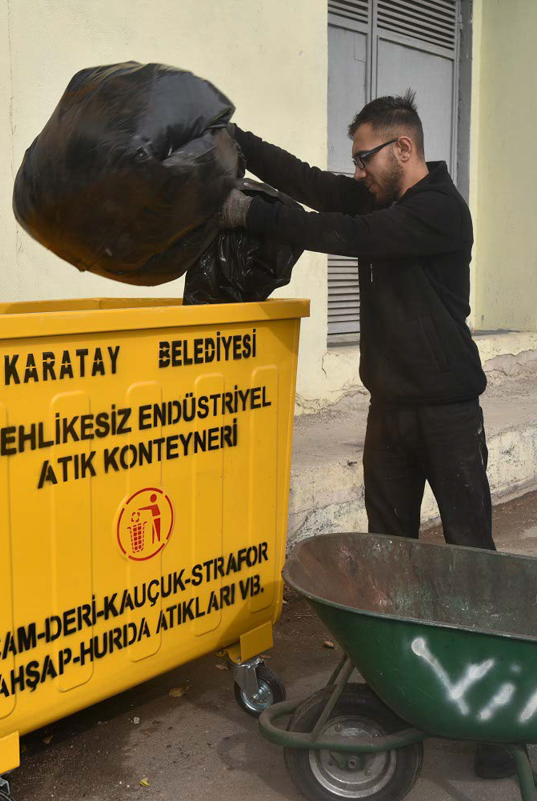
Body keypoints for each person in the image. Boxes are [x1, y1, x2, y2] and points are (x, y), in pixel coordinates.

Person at [220, 91, 513, 779]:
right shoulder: (377, 199)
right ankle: (402, 687)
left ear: (402, 151)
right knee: (390, 557)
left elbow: (348, 234)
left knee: (472, 554)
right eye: (355, 159)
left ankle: (499, 714)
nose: (355, 173)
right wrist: (242, 145)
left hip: (447, 412)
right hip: (390, 411)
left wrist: (255, 212)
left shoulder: (439, 210)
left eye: (364, 158)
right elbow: (314, 186)